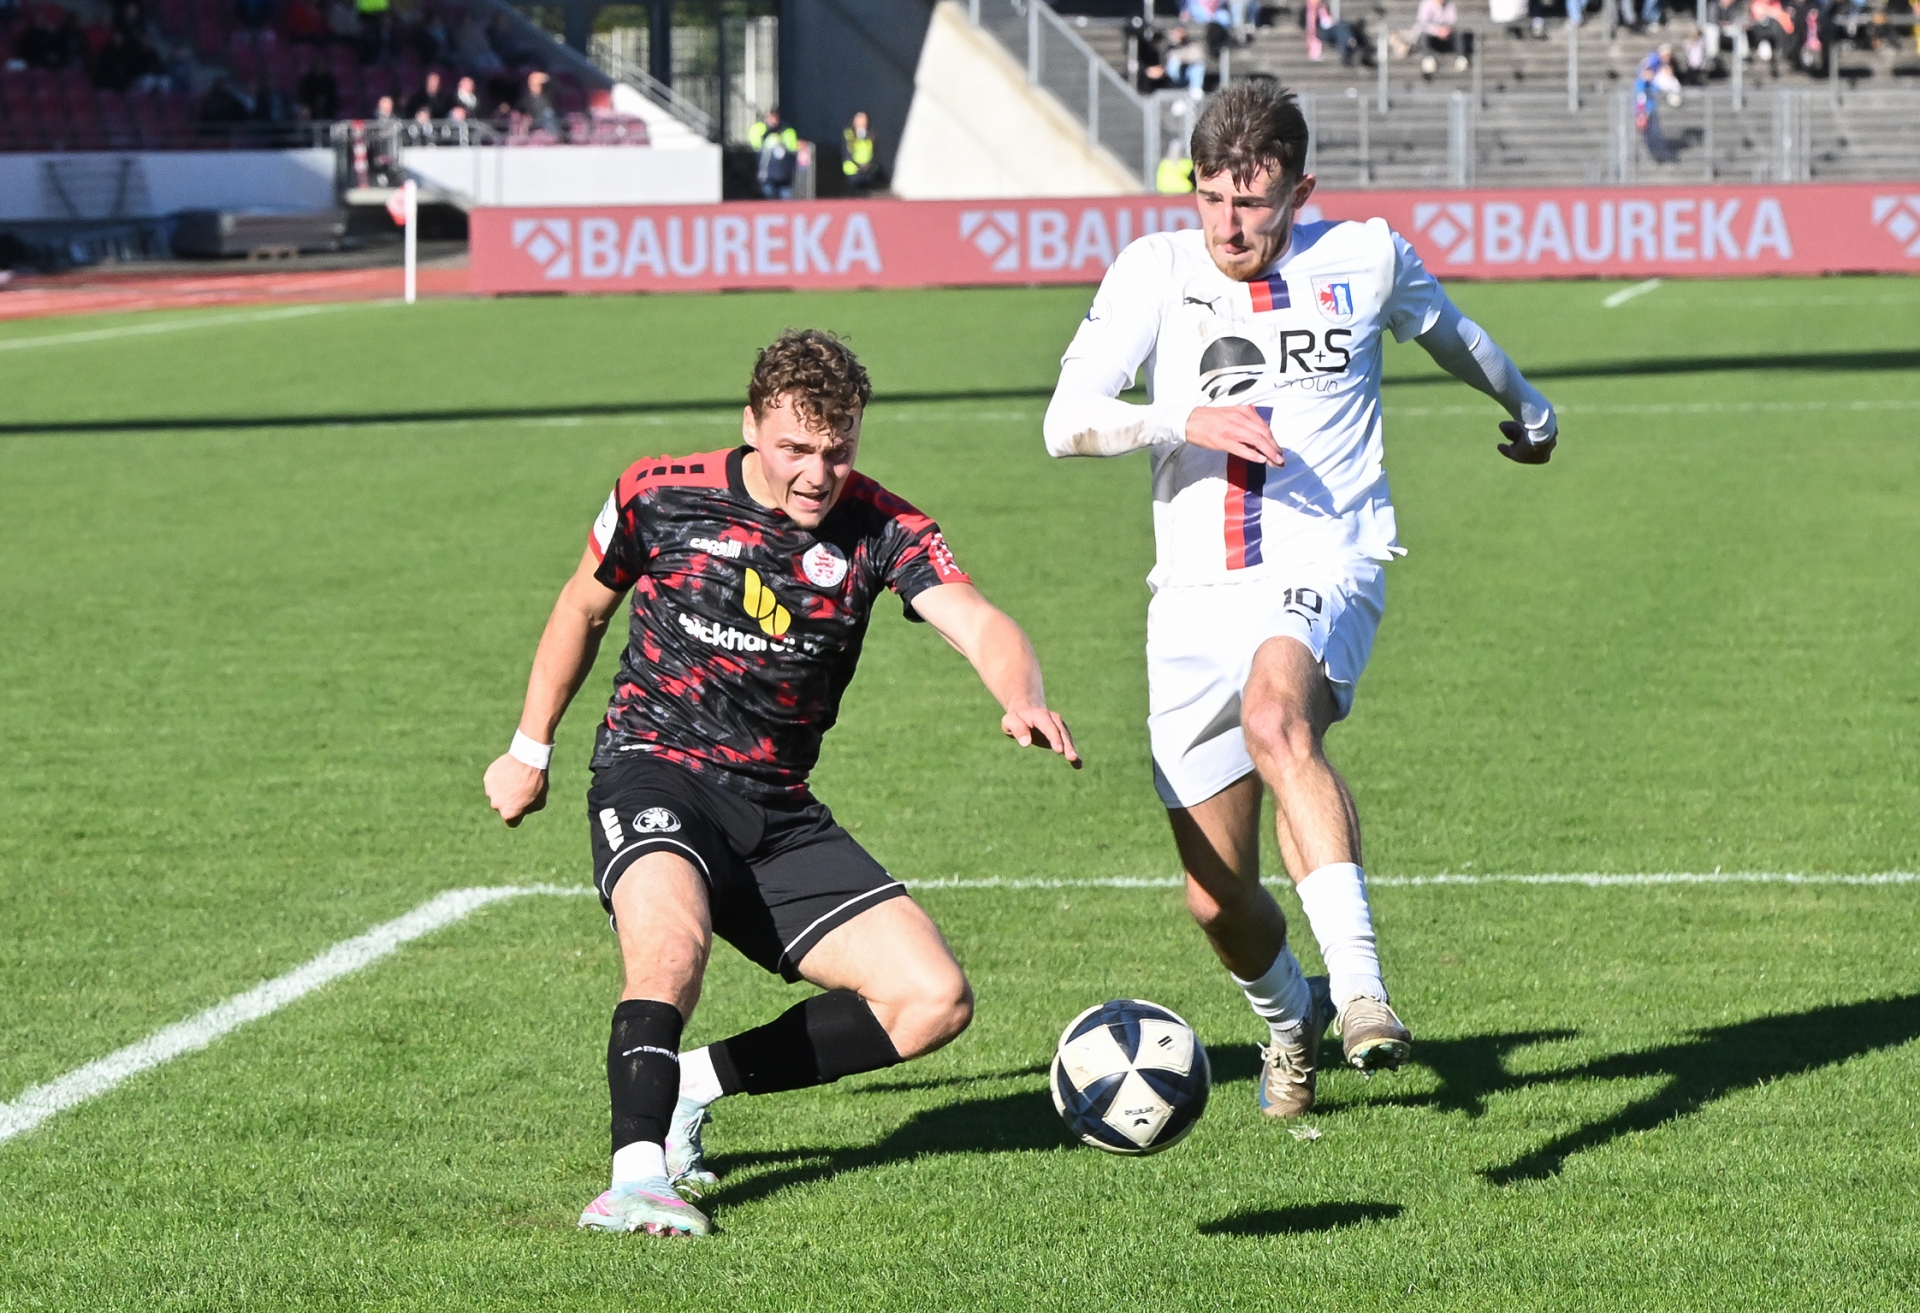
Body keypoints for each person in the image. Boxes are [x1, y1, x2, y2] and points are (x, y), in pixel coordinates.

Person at [483, 329, 1081, 1237]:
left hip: (776, 808)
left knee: (932, 999)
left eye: (837, 450)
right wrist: (530, 747)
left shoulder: (883, 527)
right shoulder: (659, 492)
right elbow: (583, 606)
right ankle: (635, 1179)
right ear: (751, 425)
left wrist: (1021, 694)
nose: (817, 473)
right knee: (669, 949)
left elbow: (978, 620)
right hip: (655, 768)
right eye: (796, 447)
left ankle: (688, 1085)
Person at [1041, 82, 1558, 1120]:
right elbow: (1066, 421)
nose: (1229, 225)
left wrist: (1530, 407)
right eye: (1211, 199)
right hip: (1192, 595)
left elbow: (1450, 332)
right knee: (1215, 896)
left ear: (1300, 192)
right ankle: (1293, 1017)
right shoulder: (1155, 269)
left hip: (1327, 556)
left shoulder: (1365, 257)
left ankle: (1363, 989)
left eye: (1254, 203)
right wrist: (1181, 418)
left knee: (1279, 719)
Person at [748, 107, 798, 199]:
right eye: (771, 117)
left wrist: (781, 136)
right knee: (769, 195)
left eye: (775, 117)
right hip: (767, 174)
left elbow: (792, 147)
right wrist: (767, 134)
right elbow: (756, 144)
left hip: (784, 173)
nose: (773, 120)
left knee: (786, 196)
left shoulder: (787, 130)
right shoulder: (759, 128)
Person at [1414, 0, 1473, 72]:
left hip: (1446, 34)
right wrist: (1436, 30)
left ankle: (1461, 58)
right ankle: (1428, 59)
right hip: (1431, 35)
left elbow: (1452, 21)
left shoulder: (1450, 4)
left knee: (1459, 34)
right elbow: (1422, 23)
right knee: (1423, 36)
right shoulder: (1426, 4)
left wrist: (1446, 29)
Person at [841, 110, 878, 192]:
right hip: (852, 171)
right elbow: (847, 153)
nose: (861, 123)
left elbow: (874, 152)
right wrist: (859, 165)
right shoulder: (849, 134)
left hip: (868, 171)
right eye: (859, 120)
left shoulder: (871, 135)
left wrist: (868, 165)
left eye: (864, 120)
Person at [519, 68, 560, 136]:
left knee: (548, 114)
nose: (539, 86)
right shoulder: (526, 98)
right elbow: (522, 110)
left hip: (548, 120)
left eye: (540, 84)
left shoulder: (548, 95)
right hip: (534, 121)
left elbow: (556, 85)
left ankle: (557, 136)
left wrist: (546, 78)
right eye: (535, 84)